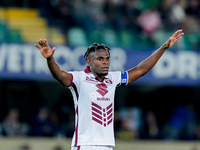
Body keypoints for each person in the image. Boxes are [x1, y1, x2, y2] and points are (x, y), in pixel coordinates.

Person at [35, 29, 183, 150]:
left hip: (107, 145)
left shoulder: (113, 78)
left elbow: (141, 69)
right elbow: (59, 75)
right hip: (85, 144)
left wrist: (164, 47)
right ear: (89, 61)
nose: (105, 63)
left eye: (107, 59)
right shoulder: (79, 78)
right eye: (100, 59)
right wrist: (50, 59)